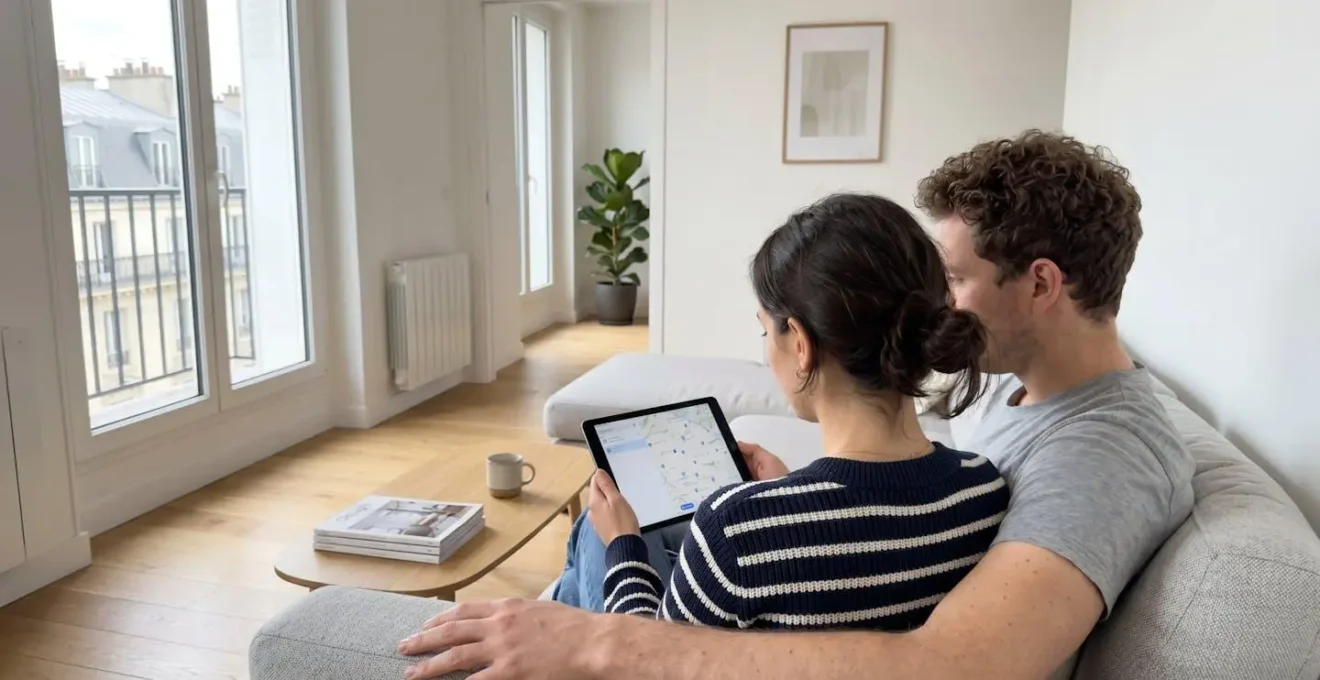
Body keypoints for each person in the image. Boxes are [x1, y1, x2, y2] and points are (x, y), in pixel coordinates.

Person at [396, 130, 1195, 680]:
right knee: (639, 531)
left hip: (749, 579)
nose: (944, 308)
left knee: (606, 536)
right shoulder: (994, 454)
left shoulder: (1102, 456)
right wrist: (792, 496)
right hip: (818, 549)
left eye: (954, 279)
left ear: (1043, 284)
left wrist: (604, 617)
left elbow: (943, 666)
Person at [588, 193, 1010, 628]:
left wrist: (622, 548)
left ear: (801, 344)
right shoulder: (984, 489)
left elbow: (641, 655)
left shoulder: (735, 532)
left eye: (765, 331)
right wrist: (788, 489)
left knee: (596, 530)